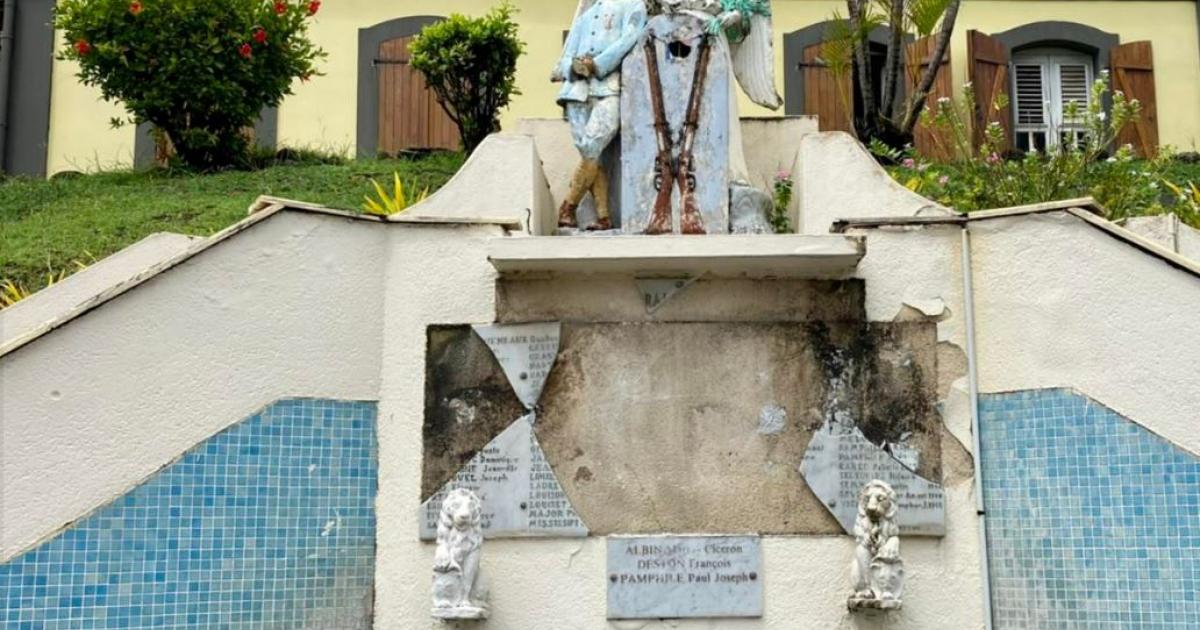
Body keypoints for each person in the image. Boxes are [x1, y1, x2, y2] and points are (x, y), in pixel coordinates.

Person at [553, 0, 648, 230]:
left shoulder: (634, 5)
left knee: (592, 147)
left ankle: (568, 206)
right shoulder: (586, 13)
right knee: (590, 154)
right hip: (576, 92)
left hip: (610, 88)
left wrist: (597, 64)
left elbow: (630, 39)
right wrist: (572, 67)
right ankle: (604, 217)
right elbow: (565, 56)